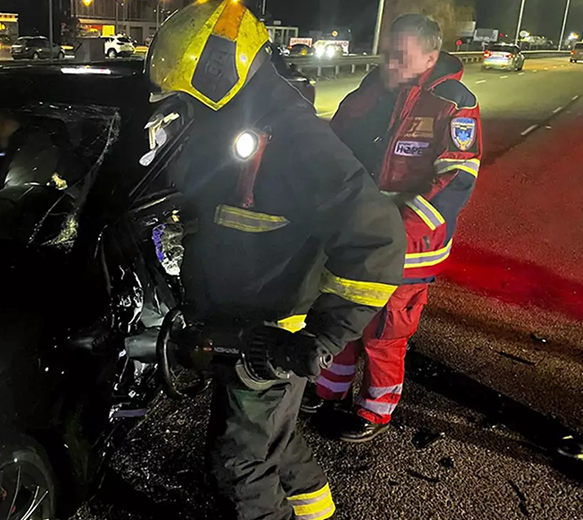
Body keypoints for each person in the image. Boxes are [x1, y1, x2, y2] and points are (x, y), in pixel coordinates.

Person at [144, 1, 406, 518]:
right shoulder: (240, 116)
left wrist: (322, 338)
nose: (189, 105)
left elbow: (378, 237)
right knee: (278, 444)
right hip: (248, 328)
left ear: (221, 68)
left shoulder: (294, 137)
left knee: (238, 467)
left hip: (267, 338)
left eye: (191, 93)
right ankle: (317, 512)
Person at [302, 14, 482, 444]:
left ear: (430, 57)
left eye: (400, 57)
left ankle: (375, 411)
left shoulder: (454, 104)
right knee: (338, 318)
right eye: (386, 55)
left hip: (407, 248)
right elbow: (332, 153)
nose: (389, 65)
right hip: (353, 239)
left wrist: (394, 230)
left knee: (384, 333)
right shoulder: (367, 94)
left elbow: (455, 181)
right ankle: (330, 391)